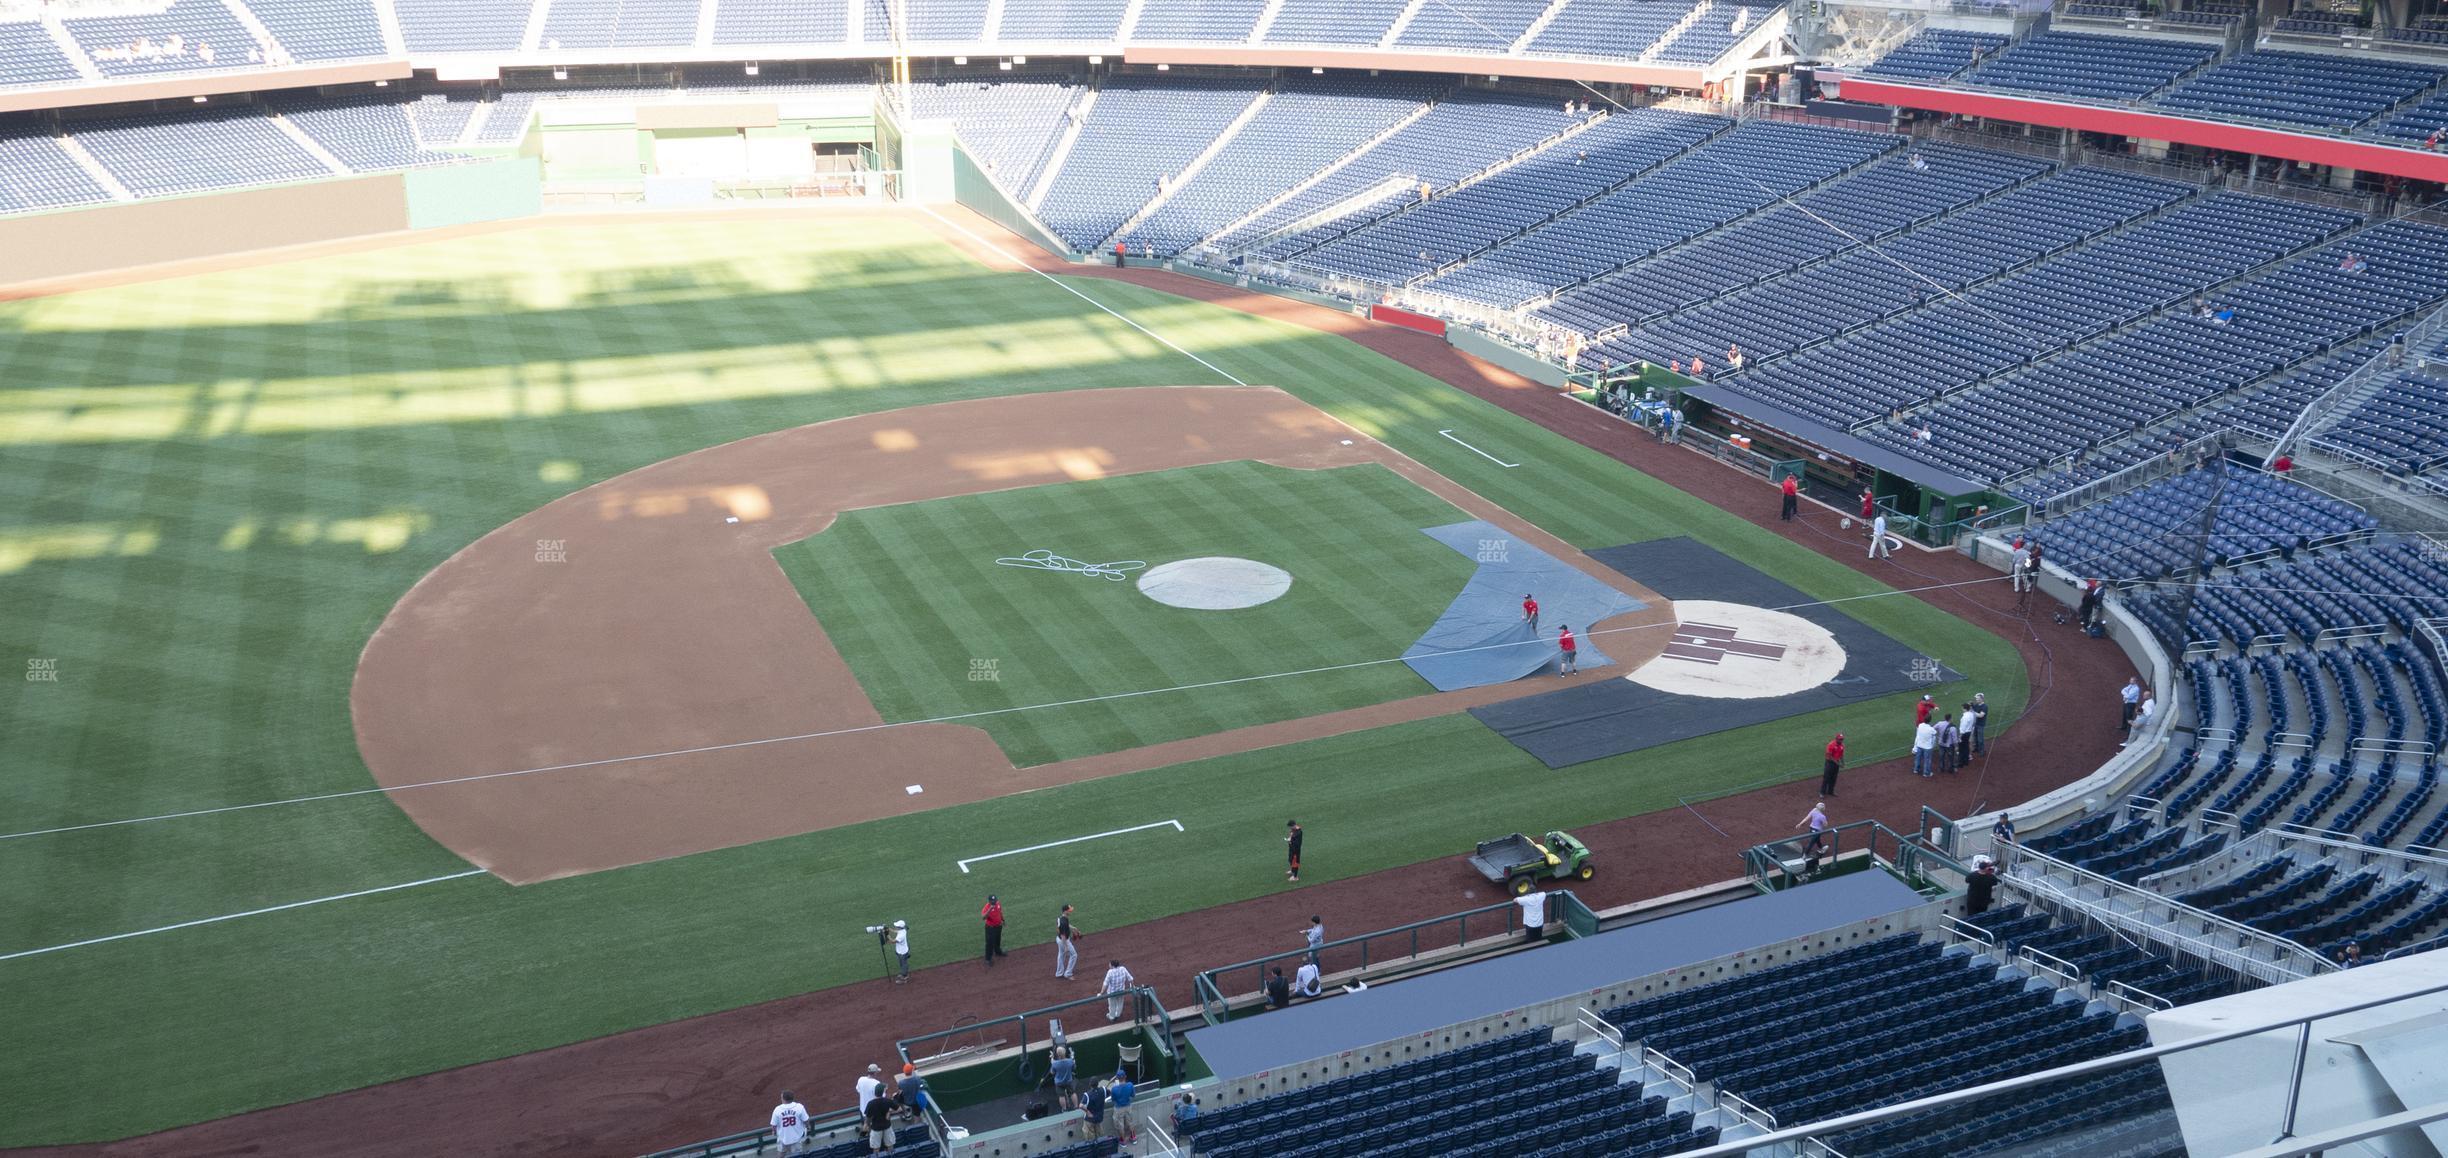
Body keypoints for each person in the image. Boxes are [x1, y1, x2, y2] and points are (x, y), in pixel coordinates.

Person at [772, 1091, 811, 1157]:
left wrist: (774, 1132)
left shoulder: (777, 1109)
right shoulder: (799, 1107)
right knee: (797, 1155)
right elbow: (806, 1120)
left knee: (781, 1154)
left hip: (782, 1138)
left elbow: (773, 1125)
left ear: (783, 1099)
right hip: (796, 1138)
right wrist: (808, 1127)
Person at [862, 1085, 895, 1153]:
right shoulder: (887, 1101)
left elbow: (868, 1118)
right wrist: (889, 1111)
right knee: (890, 1146)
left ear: (875, 1093)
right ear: (882, 1092)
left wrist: (866, 1126)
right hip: (887, 1126)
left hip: (875, 1129)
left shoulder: (870, 1103)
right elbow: (899, 1109)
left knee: (876, 1149)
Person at [1108, 1073, 1136, 1141]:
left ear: (1117, 1078)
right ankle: (1133, 1138)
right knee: (1130, 1122)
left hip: (1118, 1108)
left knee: (1120, 1125)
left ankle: (1123, 1141)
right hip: (1128, 1106)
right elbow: (1133, 1095)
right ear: (1125, 1076)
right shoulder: (1130, 1085)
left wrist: (1111, 1082)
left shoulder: (1114, 1089)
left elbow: (1113, 1099)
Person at [1054, 904, 1079, 980]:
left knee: (1061, 955)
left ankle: (1059, 973)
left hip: (1059, 939)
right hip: (1063, 940)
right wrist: (1066, 947)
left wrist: (1073, 928)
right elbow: (1063, 935)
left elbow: (1065, 926)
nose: (1070, 911)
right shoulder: (1063, 922)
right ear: (1065, 911)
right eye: (1069, 910)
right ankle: (1068, 973)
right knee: (1074, 955)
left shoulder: (1061, 918)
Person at [980, 895, 1006, 966]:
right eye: (992, 901)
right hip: (990, 928)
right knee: (989, 943)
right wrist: (990, 909)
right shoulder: (986, 907)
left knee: (997, 940)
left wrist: (1003, 920)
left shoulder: (998, 903)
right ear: (989, 901)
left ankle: (998, 952)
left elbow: (1000, 912)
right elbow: (983, 917)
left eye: (995, 900)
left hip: (998, 926)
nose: (994, 902)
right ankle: (988, 959)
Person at [1821, 732, 1844, 796]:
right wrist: (1838, 763)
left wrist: (1843, 763)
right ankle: (1822, 792)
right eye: (1840, 739)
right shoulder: (1831, 745)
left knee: (1834, 778)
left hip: (1836, 763)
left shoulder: (1842, 746)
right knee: (1826, 778)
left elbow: (1841, 755)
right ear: (1836, 738)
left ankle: (1830, 791)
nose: (1841, 740)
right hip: (1829, 763)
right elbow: (1829, 756)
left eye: (1842, 739)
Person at [1956, 703, 1976, 768]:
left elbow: (1963, 728)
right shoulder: (1971, 714)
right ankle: (1966, 761)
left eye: (1962, 708)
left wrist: (1960, 736)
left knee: (1961, 748)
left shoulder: (1965, 717)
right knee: (1966, 747)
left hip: (1964, 733)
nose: (1962, 709)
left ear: (1964, 708)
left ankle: (1960, 763)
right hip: (1969, 732)